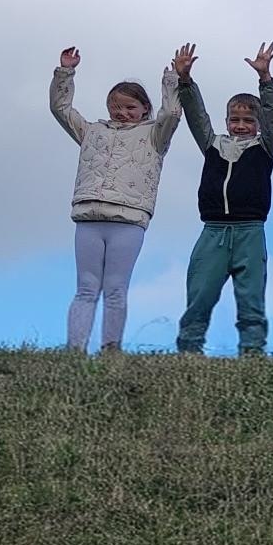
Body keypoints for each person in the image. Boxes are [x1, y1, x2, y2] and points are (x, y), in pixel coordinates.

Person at [49, 43, 186, 352]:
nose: (123, 113)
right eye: (117, 107)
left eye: (130, 108)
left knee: (115, 288)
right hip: (89, 217)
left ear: (144, 110)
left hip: (129, 218)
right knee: (85, 288)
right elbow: (60, 109)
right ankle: (74, 349)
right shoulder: (91, 131)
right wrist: (65, 72)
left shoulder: (154, 134)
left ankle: (111, 347)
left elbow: (173, 114)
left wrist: (172, 79)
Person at [176, 41, 273, 356]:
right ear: (226, 121)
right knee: (201, 294)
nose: (240, 125)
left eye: (248, 121)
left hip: (250, 231)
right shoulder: (212, 144)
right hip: (213, 231)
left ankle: (252, 352)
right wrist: (186, 82)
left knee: (251, 298)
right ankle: (189, 349)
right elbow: (196, 116)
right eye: (234, 120)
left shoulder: (265, 147)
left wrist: (265, 80)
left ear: (258, 125)